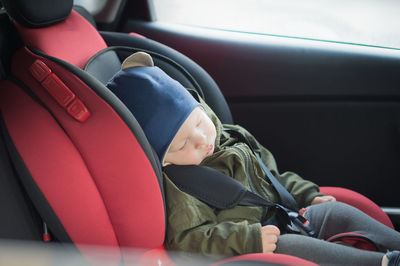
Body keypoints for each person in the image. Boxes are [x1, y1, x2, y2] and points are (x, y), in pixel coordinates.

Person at [107, 52, 400, 266]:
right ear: (163, 160)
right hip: (254, 244)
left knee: (333, 214)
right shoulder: (181, 185)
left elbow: (272, 176)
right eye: (183, 143)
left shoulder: (232, 137)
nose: (201, 140)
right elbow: (187, 239)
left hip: (284, 215)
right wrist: (248, 239)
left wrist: (307, 195)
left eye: (198, 124)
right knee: (291, 247)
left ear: (200, 108)